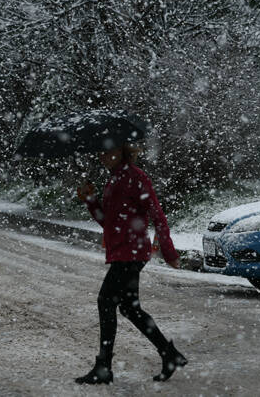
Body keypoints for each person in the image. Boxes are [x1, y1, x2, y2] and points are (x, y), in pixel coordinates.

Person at [74, 143, 188, 385]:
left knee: (106, 301)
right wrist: (91, 201)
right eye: (100, 151)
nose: (102, 155)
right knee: (128, 307)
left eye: (107, 151)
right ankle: (169, 354)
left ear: (122, 150)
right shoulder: (114, 179)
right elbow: (109, 222)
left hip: (132, 253)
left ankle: (104, 367)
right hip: (122, 252)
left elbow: (157, 214)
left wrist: (169, 252)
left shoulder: (136, 177)